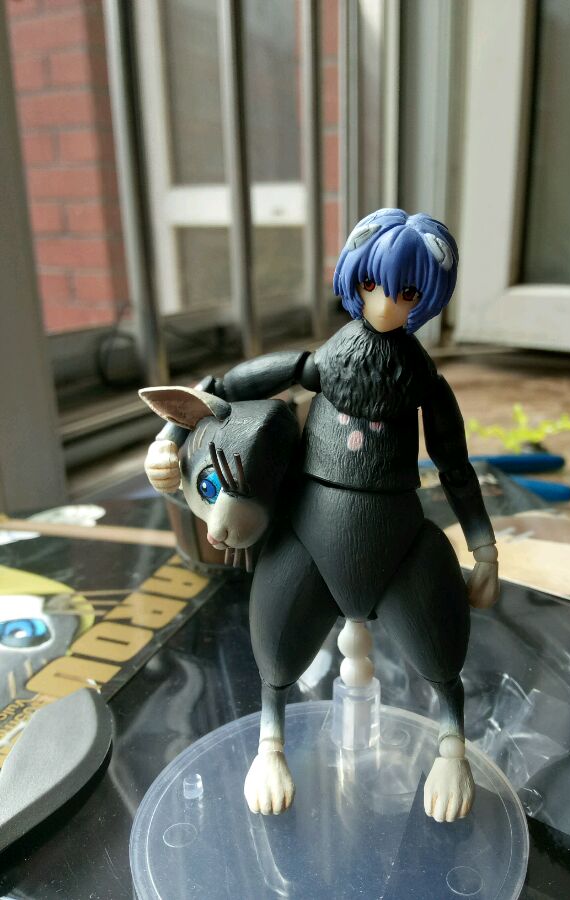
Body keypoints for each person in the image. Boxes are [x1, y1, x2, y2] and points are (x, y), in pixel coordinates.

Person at [144, 209, 499, 822]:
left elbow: (456, 468)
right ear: (353, 280)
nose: (384, 302)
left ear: (426, 298)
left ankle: (451, 746)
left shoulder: (424, 383)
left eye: (406, 292)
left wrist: (484, 549)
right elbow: (221, 390)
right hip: (309, 533)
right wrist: (168, 440)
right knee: (275, 651)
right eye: (372, 284)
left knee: (441, 649)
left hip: (399, 540)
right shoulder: (323, 363)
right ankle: (270, 745)